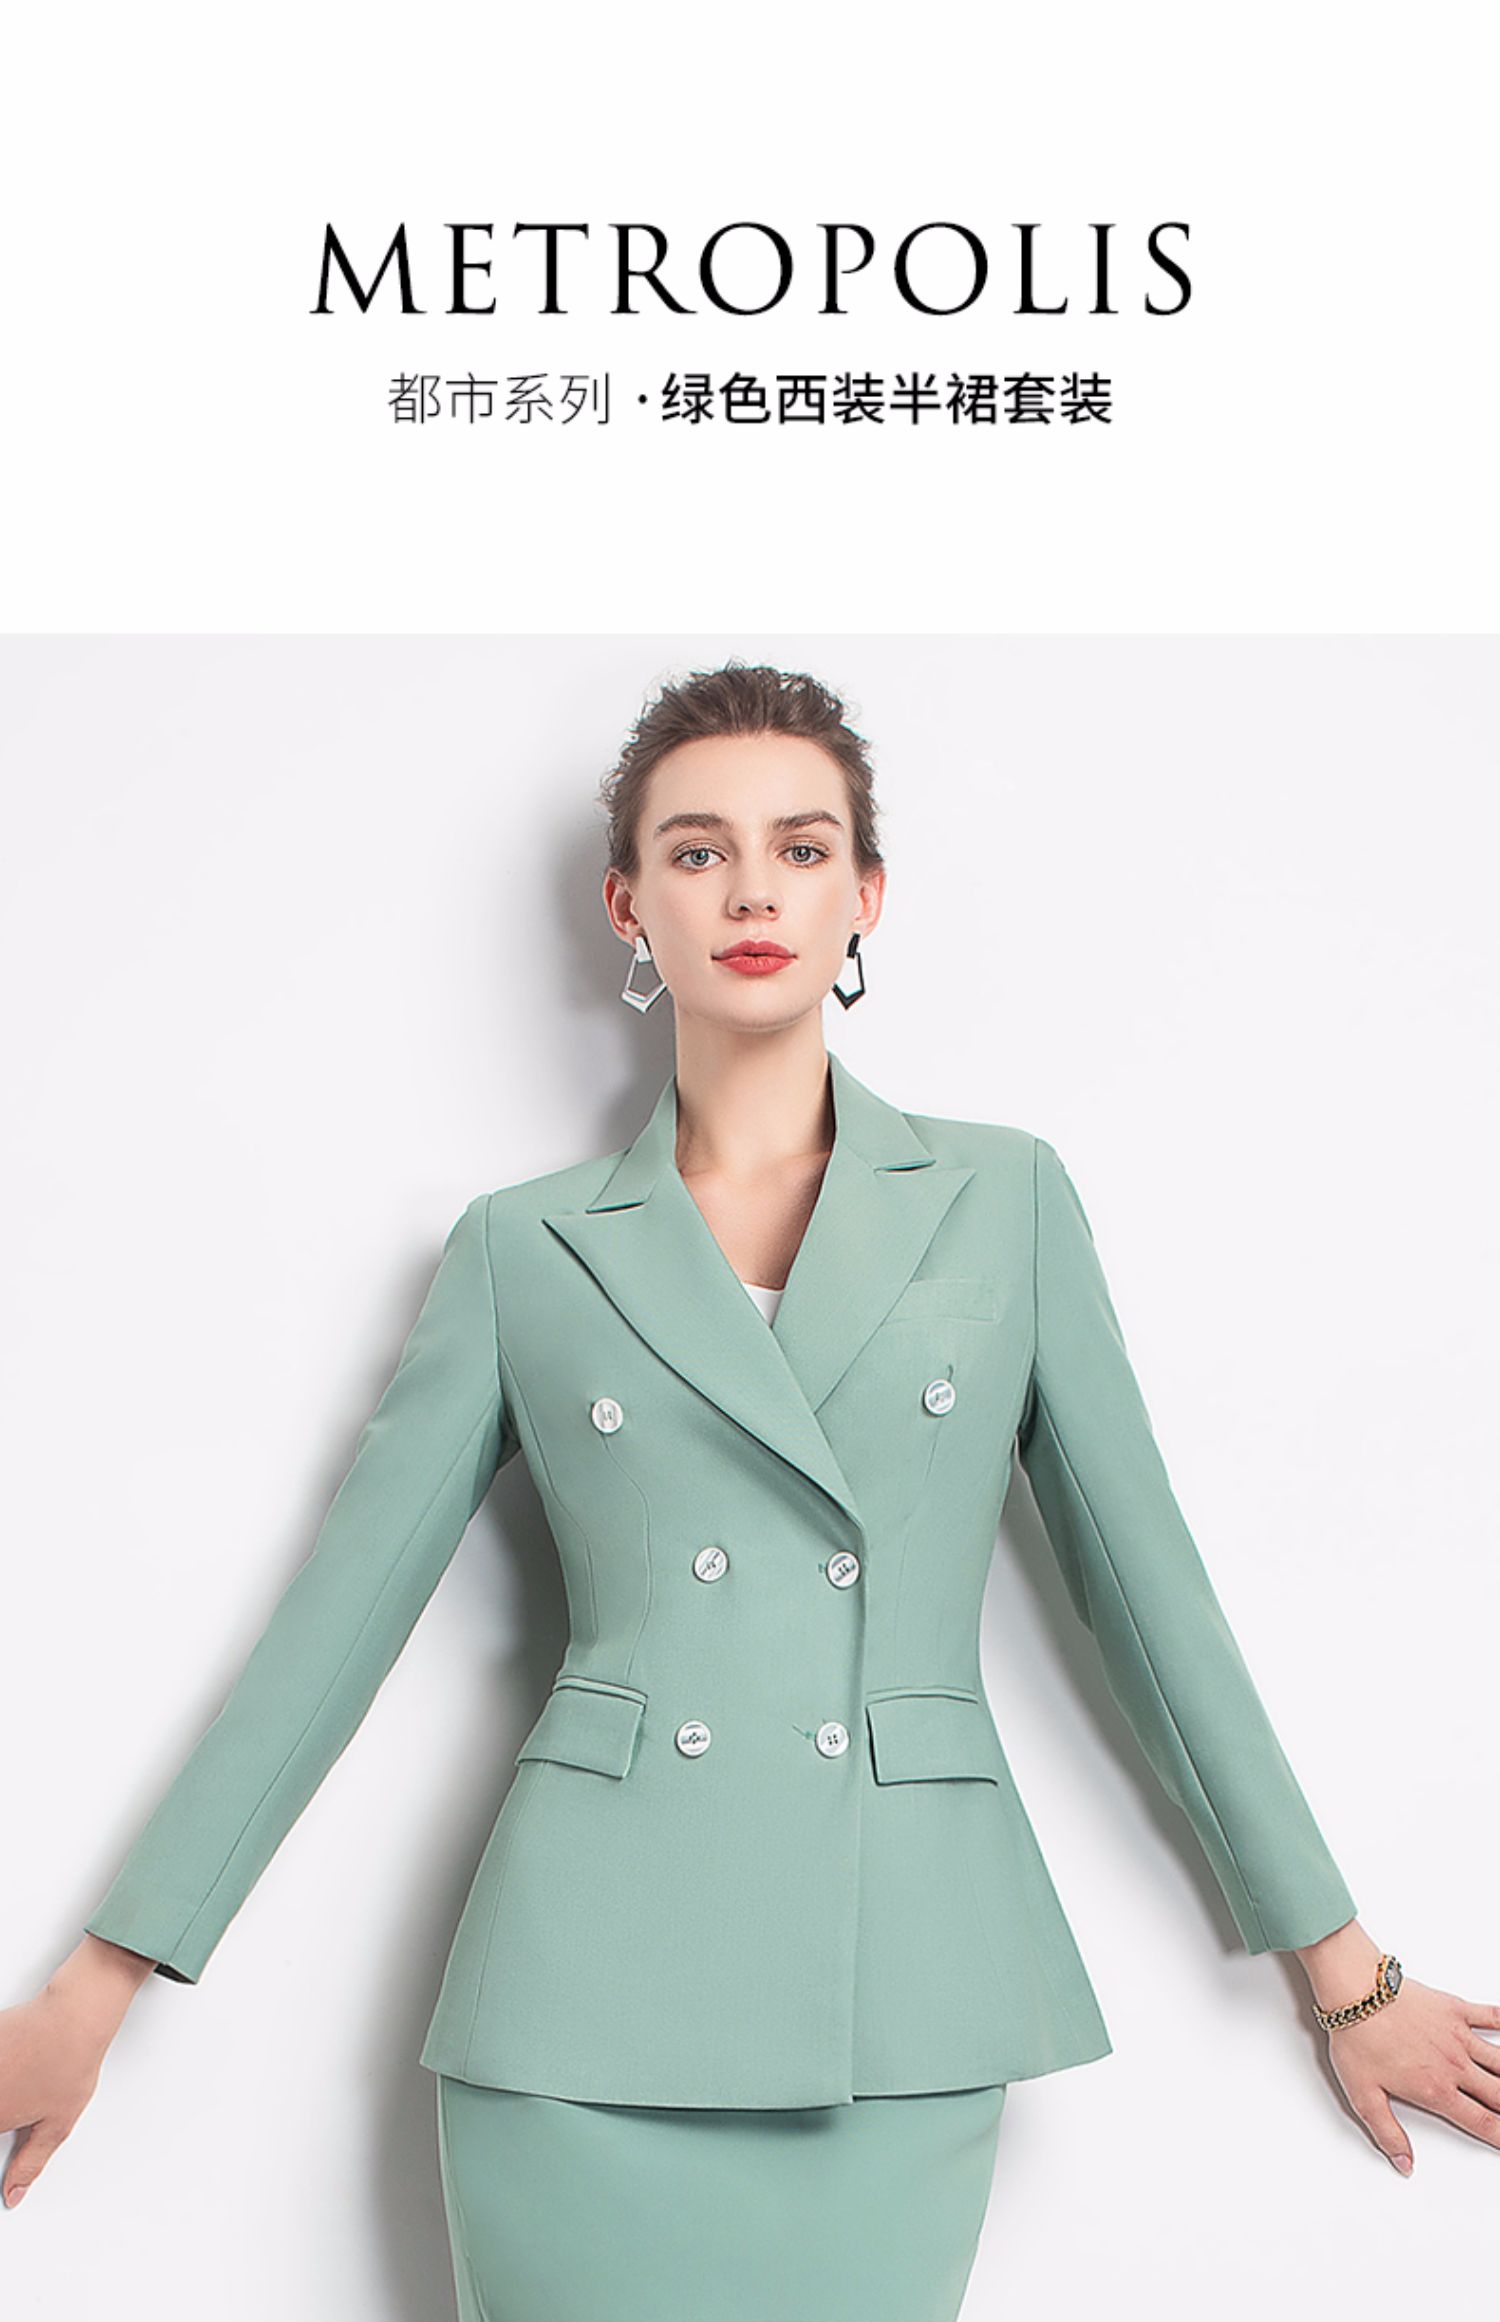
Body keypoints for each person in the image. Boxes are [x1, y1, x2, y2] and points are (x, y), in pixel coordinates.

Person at [3, 663, 1496, 2318]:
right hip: (582, 1999)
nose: (752, 890)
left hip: (898, 1987)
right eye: (698, 850)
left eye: (800, 846)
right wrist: (96, 1980)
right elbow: (332, 1631)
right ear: (627, 904)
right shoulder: (524, 1246)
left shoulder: (1003, 1198)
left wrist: (1346, 1972)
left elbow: (1151, 1597)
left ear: (866, 895)